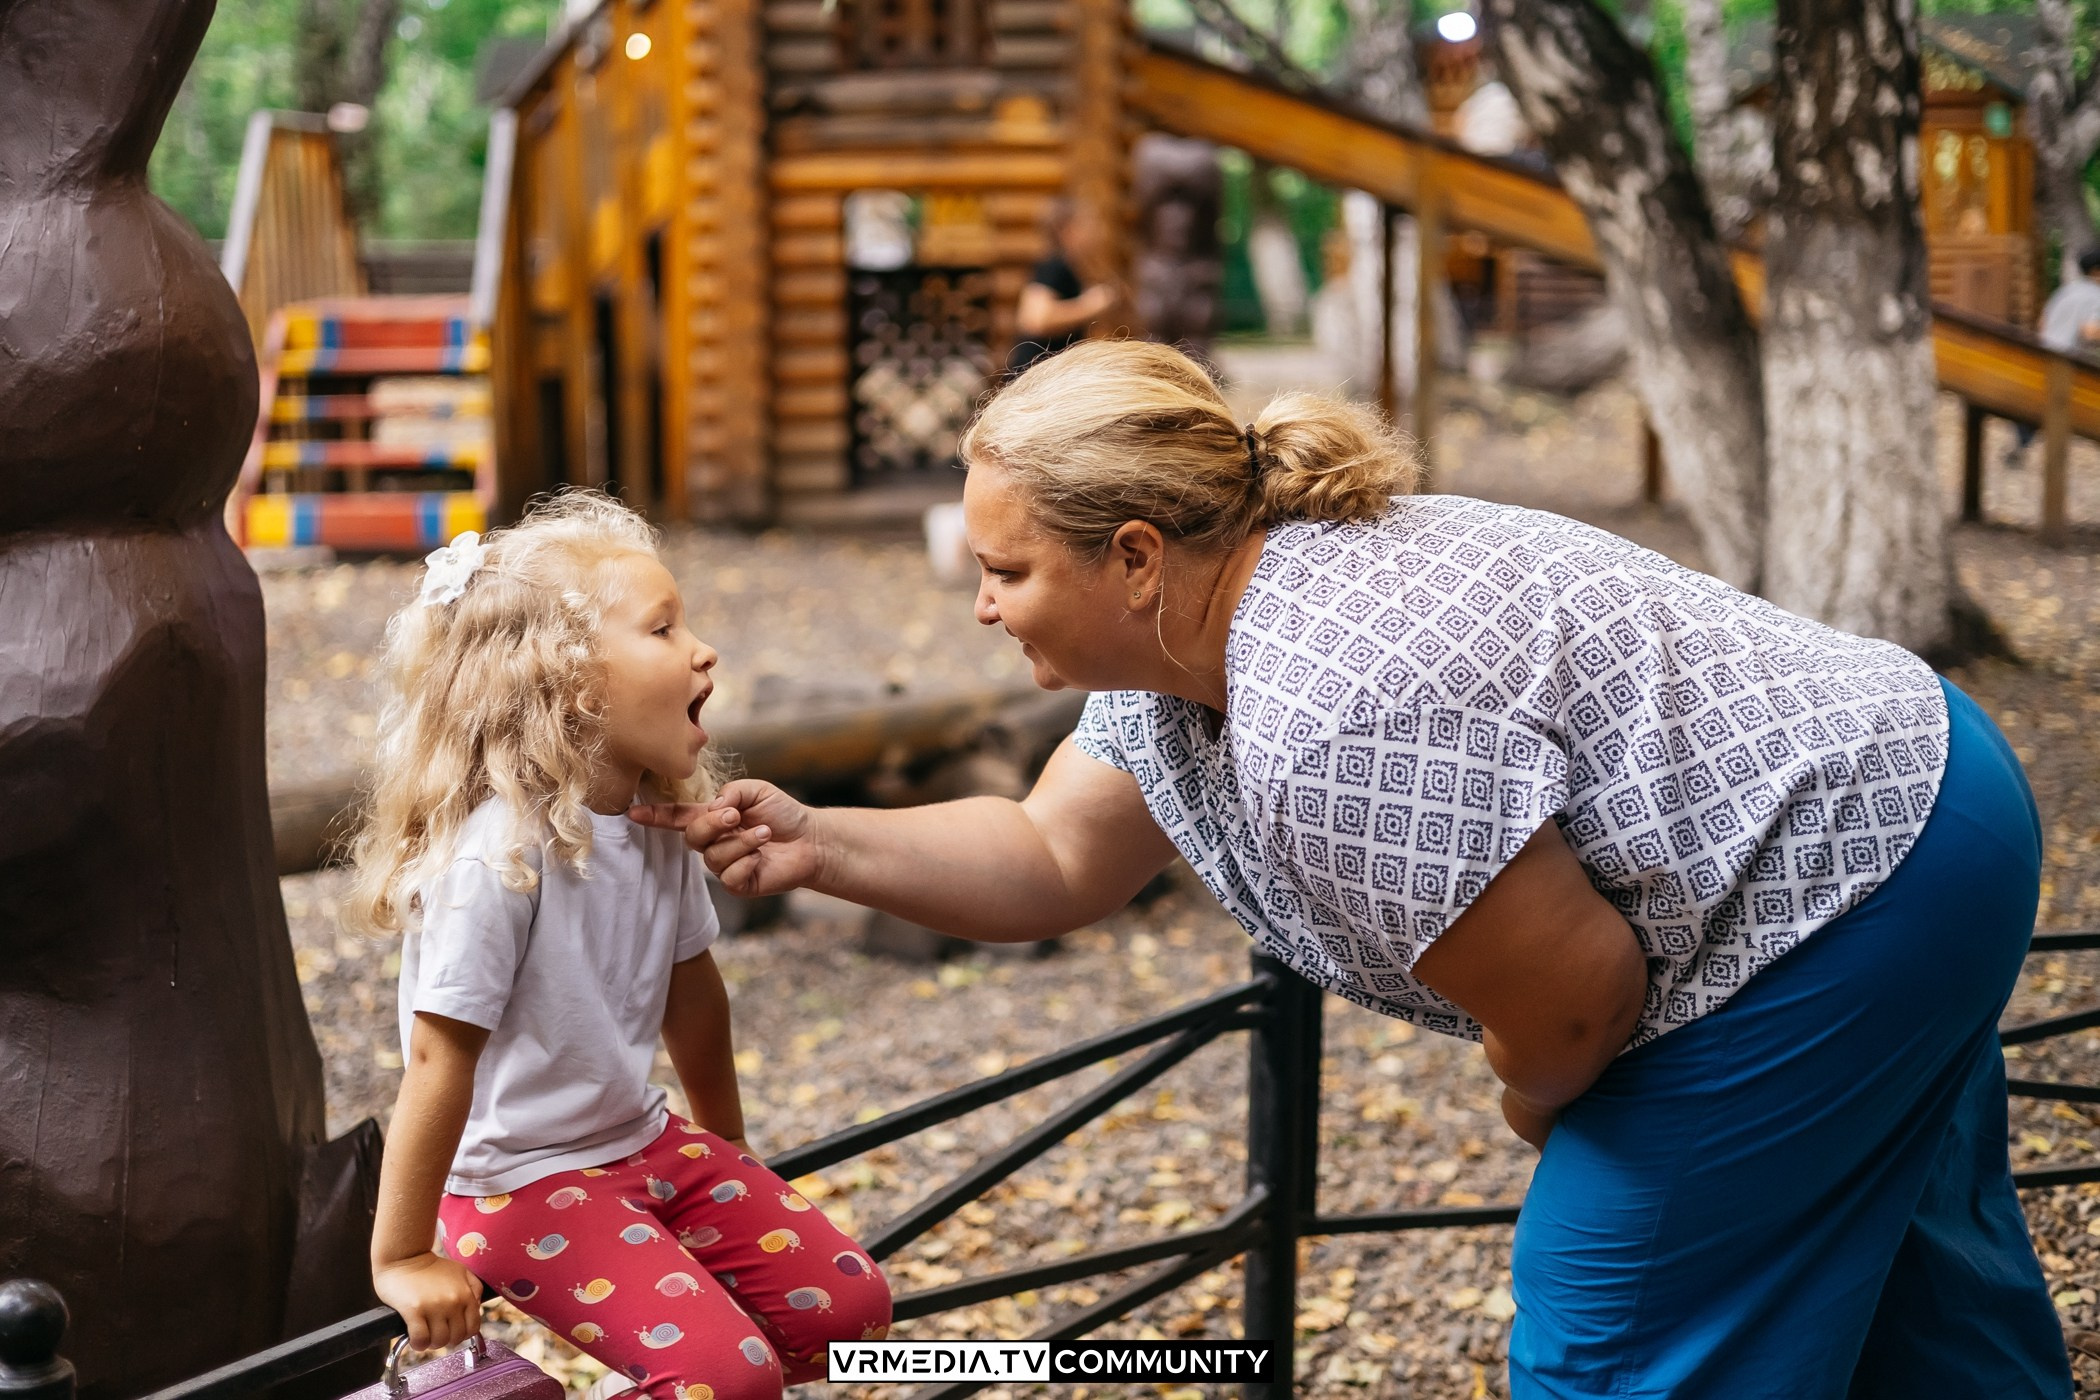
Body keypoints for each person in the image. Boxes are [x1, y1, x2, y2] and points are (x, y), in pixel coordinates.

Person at [637, 341, 2072, 1399]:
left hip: (1845, 881)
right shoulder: (1203, 619)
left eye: (1008, 569)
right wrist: (821, 843)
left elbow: (1580, 1004)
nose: (981, 602)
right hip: (1922, 781)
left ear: (1134, 556)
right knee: (1915, 1288)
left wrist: (1537, 1096)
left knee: (1612, 1337)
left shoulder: (1331, 718)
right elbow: (1054, 848)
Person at [351, 494, 890, 1395]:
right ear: (570, 681)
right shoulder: (500, 855)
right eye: (664, 628)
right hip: (515, 1183)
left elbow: (693, 993)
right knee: (731, 1379)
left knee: (850, 1316)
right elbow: (437, 1058)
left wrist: (730, 1154)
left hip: (641, 1141)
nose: (702, 649)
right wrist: (404, 1254)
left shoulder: (654, 821)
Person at [1007, 199, 1119, 375]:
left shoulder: (1071, 265)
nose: (1096, 231)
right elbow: (1036, 319)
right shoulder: (1055, 265)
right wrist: (1090, 305)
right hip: (1035, 375)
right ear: (1068, 229)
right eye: (1087, 223)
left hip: (1047, 373)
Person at [2010, 248, 2100, 466]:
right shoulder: (2096, 295)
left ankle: (2020, 447)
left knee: (2037, 404)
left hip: (2044, 352)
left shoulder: (2066, 290)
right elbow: (2089, 331)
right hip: (2066, 360)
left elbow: (2043, 322)